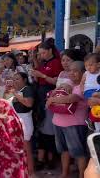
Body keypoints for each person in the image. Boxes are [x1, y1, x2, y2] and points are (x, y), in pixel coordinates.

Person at [47, 61, 88, 178]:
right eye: (70, 70)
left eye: (76, 71)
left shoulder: (85, 85)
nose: (72, 73)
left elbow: (73, 98)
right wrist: (56, 92)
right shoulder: (67, 83)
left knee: (79, 153)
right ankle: (64, 173)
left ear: (83, 73)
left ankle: (82, 175)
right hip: (58, 122)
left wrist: (52, 100)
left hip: (75, 124)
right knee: (63, 150)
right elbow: (54, 93)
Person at [31, 40, 63, 170]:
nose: (42, 55)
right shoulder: (43, 62)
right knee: (41, 127)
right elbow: (38, 78)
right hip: (41, 97)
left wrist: (42, 75)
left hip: (50, 97)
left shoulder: (56, 62)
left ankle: (51, 159)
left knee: (49, 128)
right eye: (40, 53)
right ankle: (41, 158)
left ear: (50, 51)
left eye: (43, 52)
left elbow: (57, 82)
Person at [11, 72, 35, 176]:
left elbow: (29, 103)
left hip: (25, 120)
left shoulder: (27, 89)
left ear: (24, 80)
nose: (15, 81)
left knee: (27, 148)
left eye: (17, 79)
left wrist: (16, 95)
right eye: (14, 79)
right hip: (16, 120)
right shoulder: (16, 91)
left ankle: (31, 172)